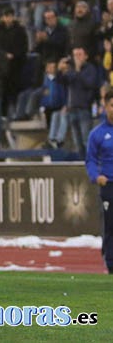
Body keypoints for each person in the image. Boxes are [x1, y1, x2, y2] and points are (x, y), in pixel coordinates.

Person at [84, 89, 113, 275]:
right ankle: (111, 263)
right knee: (110, 225)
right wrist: (96, 177)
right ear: (105, 107)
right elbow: (91, 160)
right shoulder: (97, 134)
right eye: (112, 105)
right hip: (109, 185)